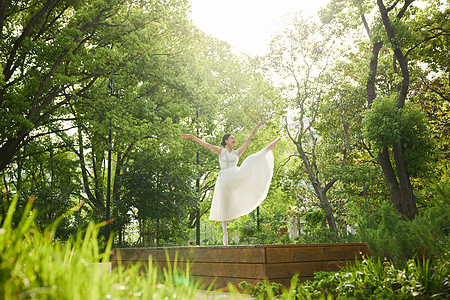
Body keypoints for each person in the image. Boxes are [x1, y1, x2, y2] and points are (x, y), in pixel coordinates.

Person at [181, 120, 280, 246]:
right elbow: (205, 144)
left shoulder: (237, 152)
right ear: (226, 140)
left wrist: (256, 126)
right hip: (224, 179)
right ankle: (224, 232)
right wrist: (192, 136)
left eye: (234, 138)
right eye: (232, 138)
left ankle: (269, 147)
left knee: (250, 159)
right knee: (224, 203)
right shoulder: (220, 150)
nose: (234, 139)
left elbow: (248, 140)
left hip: (235, 176)